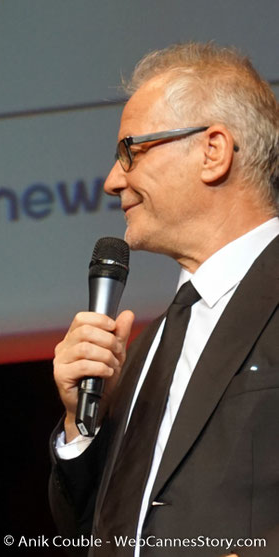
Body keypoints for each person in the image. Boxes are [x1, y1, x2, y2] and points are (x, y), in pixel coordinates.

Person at [49, 43, 279, 557]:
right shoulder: (146, 349)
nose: (112, 181)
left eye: (131, 150)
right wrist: (82, 424)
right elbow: (86, 529)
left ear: (212, 151)